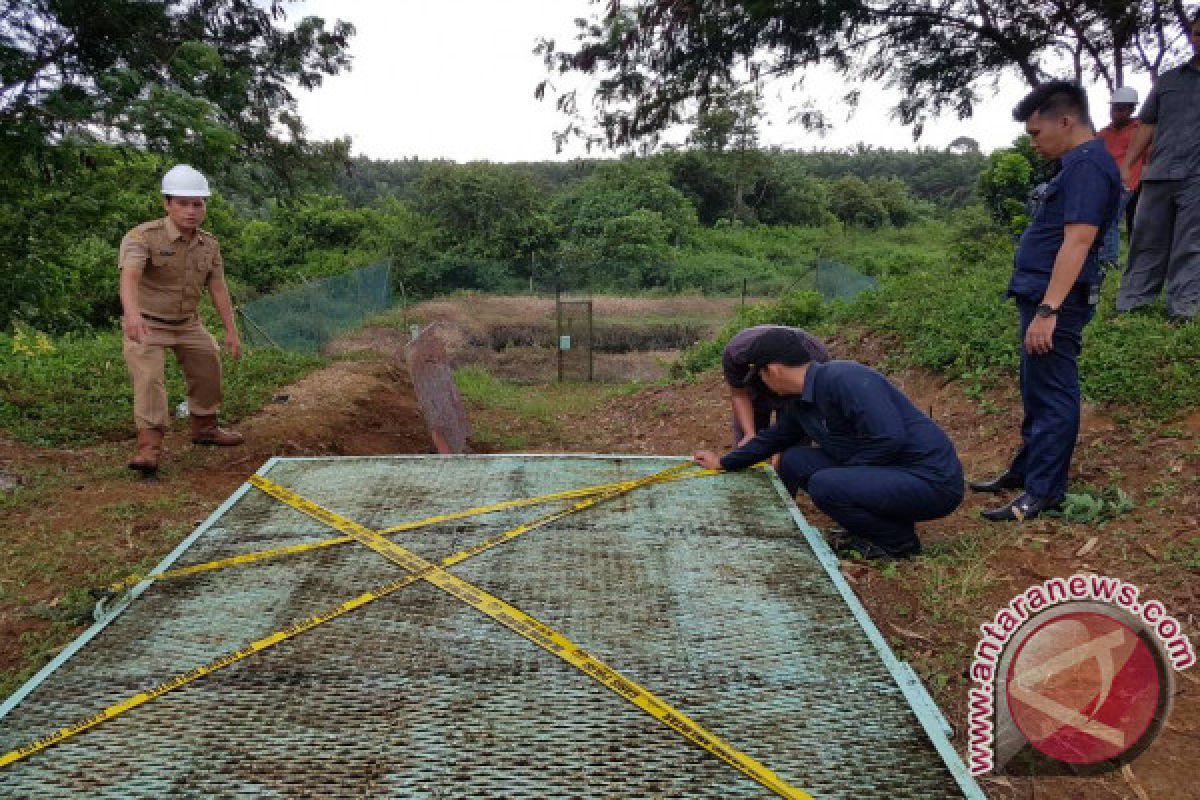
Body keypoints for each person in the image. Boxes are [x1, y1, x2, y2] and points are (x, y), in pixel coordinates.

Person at [971, 82, 1120, 522]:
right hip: (1042, 297)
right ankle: (1026, 472)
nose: (1033, 142)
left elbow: (1078, 241)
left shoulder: (1088, 167)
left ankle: (1044, 492)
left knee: (1053, 393)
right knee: (1037, 388)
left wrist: (1049, 310)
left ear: (1065, 121)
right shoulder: (1075, 165)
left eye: (1036, 133)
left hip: (1057, 303)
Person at [693, 329, 964, 561]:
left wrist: (847, 477)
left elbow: (890, 439)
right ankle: (784, 523)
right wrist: (725, 462)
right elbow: (773, 439)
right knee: (795, 459)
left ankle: (897, 540)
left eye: (761, 376)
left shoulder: (846, 379)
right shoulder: (801, 400)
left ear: (772, 370)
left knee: (827, 484)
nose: (762, 385)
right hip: (890, 472)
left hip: (931, 481)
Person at [120, 165, 244, 475]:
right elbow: (130, 276)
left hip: (187, 323)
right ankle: (149, 447)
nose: (191, 211)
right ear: (167, 204)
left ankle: (205, 429)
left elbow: (218, 287)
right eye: (183, 203)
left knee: (208, 363)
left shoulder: (209, 244)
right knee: (149, 379)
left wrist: (231, 330)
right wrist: (132, 315)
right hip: (148, 323)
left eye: (198, 203)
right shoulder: (142, 237)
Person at [1116, 10, 1200, 323]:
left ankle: (1183, 311)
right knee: (1145, 239)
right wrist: (1128, 164)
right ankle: (1132, 304)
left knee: (1190, 245)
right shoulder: (1168, 81)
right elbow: (1147, 125)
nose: (1199, 40)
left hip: (1197, 178)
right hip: (1160, 173)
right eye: (1196, 33)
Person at [722, 325, 830, 447]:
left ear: (774, 371)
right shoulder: (736, 355)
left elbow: (805, 413)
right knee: (747, 448)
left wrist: (781, 449)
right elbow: (739, 395)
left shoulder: (814, 357)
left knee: (792, 454)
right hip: (755, 396)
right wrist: (749, 433)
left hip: (797, 397)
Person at [1096, 86, 1146, 266]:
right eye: (1114, 108)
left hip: (1129, 183)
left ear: (1131, 109)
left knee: (1112, 219)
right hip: (1106, 183)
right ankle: (1106, 257)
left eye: (1121, 108)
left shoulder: (1140, 131)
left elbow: (1148, 158)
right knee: (1106, 219)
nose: (1116, 113)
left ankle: (1109, 259)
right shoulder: (1104, 133)